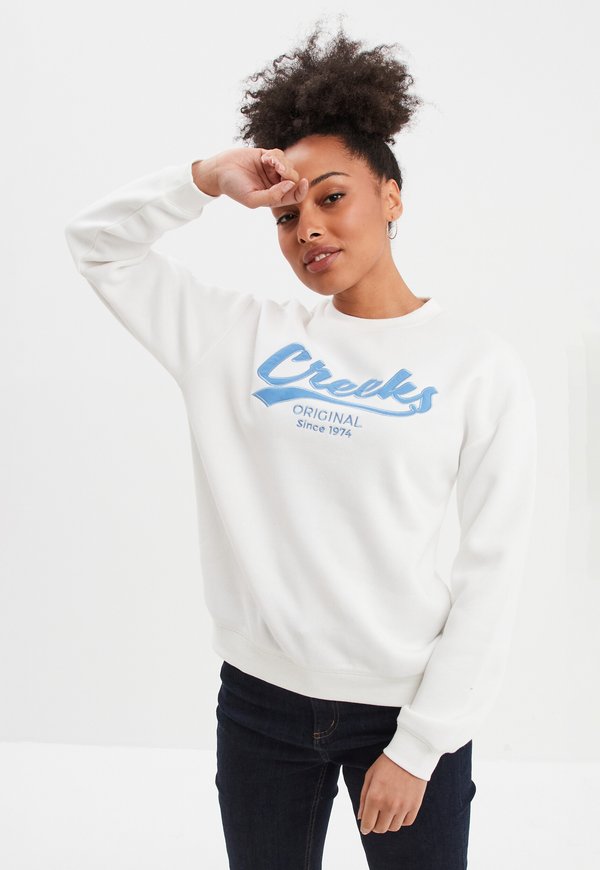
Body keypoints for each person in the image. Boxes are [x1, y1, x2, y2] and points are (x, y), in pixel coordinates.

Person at [64, 19, 537, 870]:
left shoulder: (478, 367)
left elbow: (493, 572)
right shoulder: (237, 340)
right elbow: (96, 246)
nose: (307, 227)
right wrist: (206, 179)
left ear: (391, 196)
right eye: (287, 215)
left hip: (403, 709)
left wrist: (419, 747)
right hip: (261, 709)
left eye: (332, 197)